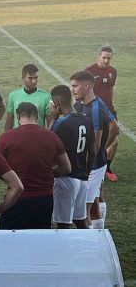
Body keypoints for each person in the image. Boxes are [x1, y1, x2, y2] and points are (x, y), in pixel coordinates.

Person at [0, 102, 71, 229]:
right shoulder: (52, 137)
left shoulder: (6, 138)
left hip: (16, 198)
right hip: (44, 199)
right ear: (37, 118)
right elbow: (66, 168)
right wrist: (46, 171)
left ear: (18, 117)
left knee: (9, 239)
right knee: (40, 240)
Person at [71, 70, 119, 229]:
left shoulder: (96, 108)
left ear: (86, 86)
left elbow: (113, 128)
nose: (73, 89)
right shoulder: (81, 104)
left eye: (75, 86)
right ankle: (100, 234)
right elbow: (113, 125)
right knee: (95, 202)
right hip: (92, 163)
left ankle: (91, 242)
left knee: (84, 210)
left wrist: (102, 150)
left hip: (93, 165)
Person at [50, 85, 96, 229]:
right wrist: (87, 173)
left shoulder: (60, 123)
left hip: (66, 179)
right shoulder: (86, 120)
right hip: (82, 178)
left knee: (63, 223)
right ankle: (91, 247)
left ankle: (65, 251)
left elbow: (47, 143)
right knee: (80, 220)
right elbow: (93, 151)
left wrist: (52, 119)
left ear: (56, 102)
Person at [86, 45, 119, 182]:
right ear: (98, 56)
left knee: (115, 140)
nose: (106, 61)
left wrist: (111, 107)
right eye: (104, 57)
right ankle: (91, 163)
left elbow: (110, 89)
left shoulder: (113, 71)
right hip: (94, 110)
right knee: (92, 139)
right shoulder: (89, 71)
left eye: (109, 58)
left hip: (109, 110)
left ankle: (106, 166)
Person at [4, 64, 52, 131]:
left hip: (37, 137)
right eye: (30, 78)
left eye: (36, 78)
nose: (34, 81)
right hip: (18, 138)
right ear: (23, 78)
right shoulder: (13, 95)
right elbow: (9, 120)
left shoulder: (46, 97)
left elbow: (50, 122)